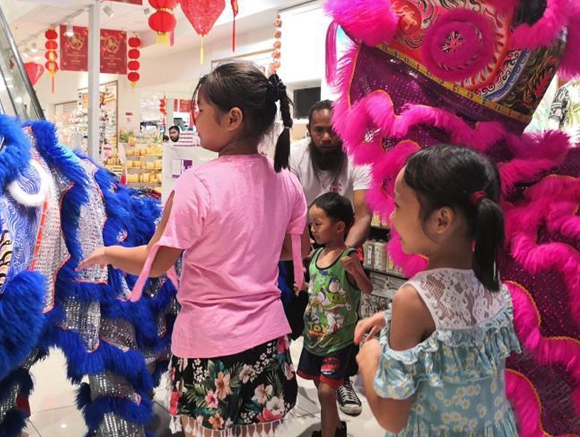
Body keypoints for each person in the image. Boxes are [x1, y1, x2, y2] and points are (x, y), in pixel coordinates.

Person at [78, 62, 309, 437]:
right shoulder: (286, 180)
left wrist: (107, 253)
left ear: (232, 118)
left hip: (209, 343)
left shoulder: (196, 184)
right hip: (268, 339)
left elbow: (155, 262)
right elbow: (296, 248)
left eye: (199, 109)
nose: (194, 119)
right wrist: (251, 248)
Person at [354, 145, 521, 436]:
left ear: (441, 220)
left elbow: (392, 418)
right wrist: (389, 318)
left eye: (399, 206)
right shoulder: (488, 272)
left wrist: (369, 358)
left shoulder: (414, 299)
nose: (392, 218)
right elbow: (455, 327)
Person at [288, 99, 372, 416]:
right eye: (319, 131)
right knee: (299, 315)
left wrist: (340, 255)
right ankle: (286, 378)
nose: (326, 138)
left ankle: (342, 380)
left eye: (332, 131)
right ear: (309, 131)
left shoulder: (358, 156)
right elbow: (291, 211)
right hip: (301, 241)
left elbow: (363, 214)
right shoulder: (296, 155)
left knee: (342, 315)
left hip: (342, 240)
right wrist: (307, 257)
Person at [298, 193, 373, 437]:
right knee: (320, 385)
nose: (312, 229)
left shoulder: (348, 257)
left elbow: (366, 288)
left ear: (339, 226)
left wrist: (357, 271)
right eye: (311, 224)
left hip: (339, 339)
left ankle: (328, 433)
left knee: (326, 392)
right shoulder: (316, 256)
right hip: (314, 336)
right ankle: (336, 426)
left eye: (318, 224)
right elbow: (319, 287)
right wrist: (304, 287)